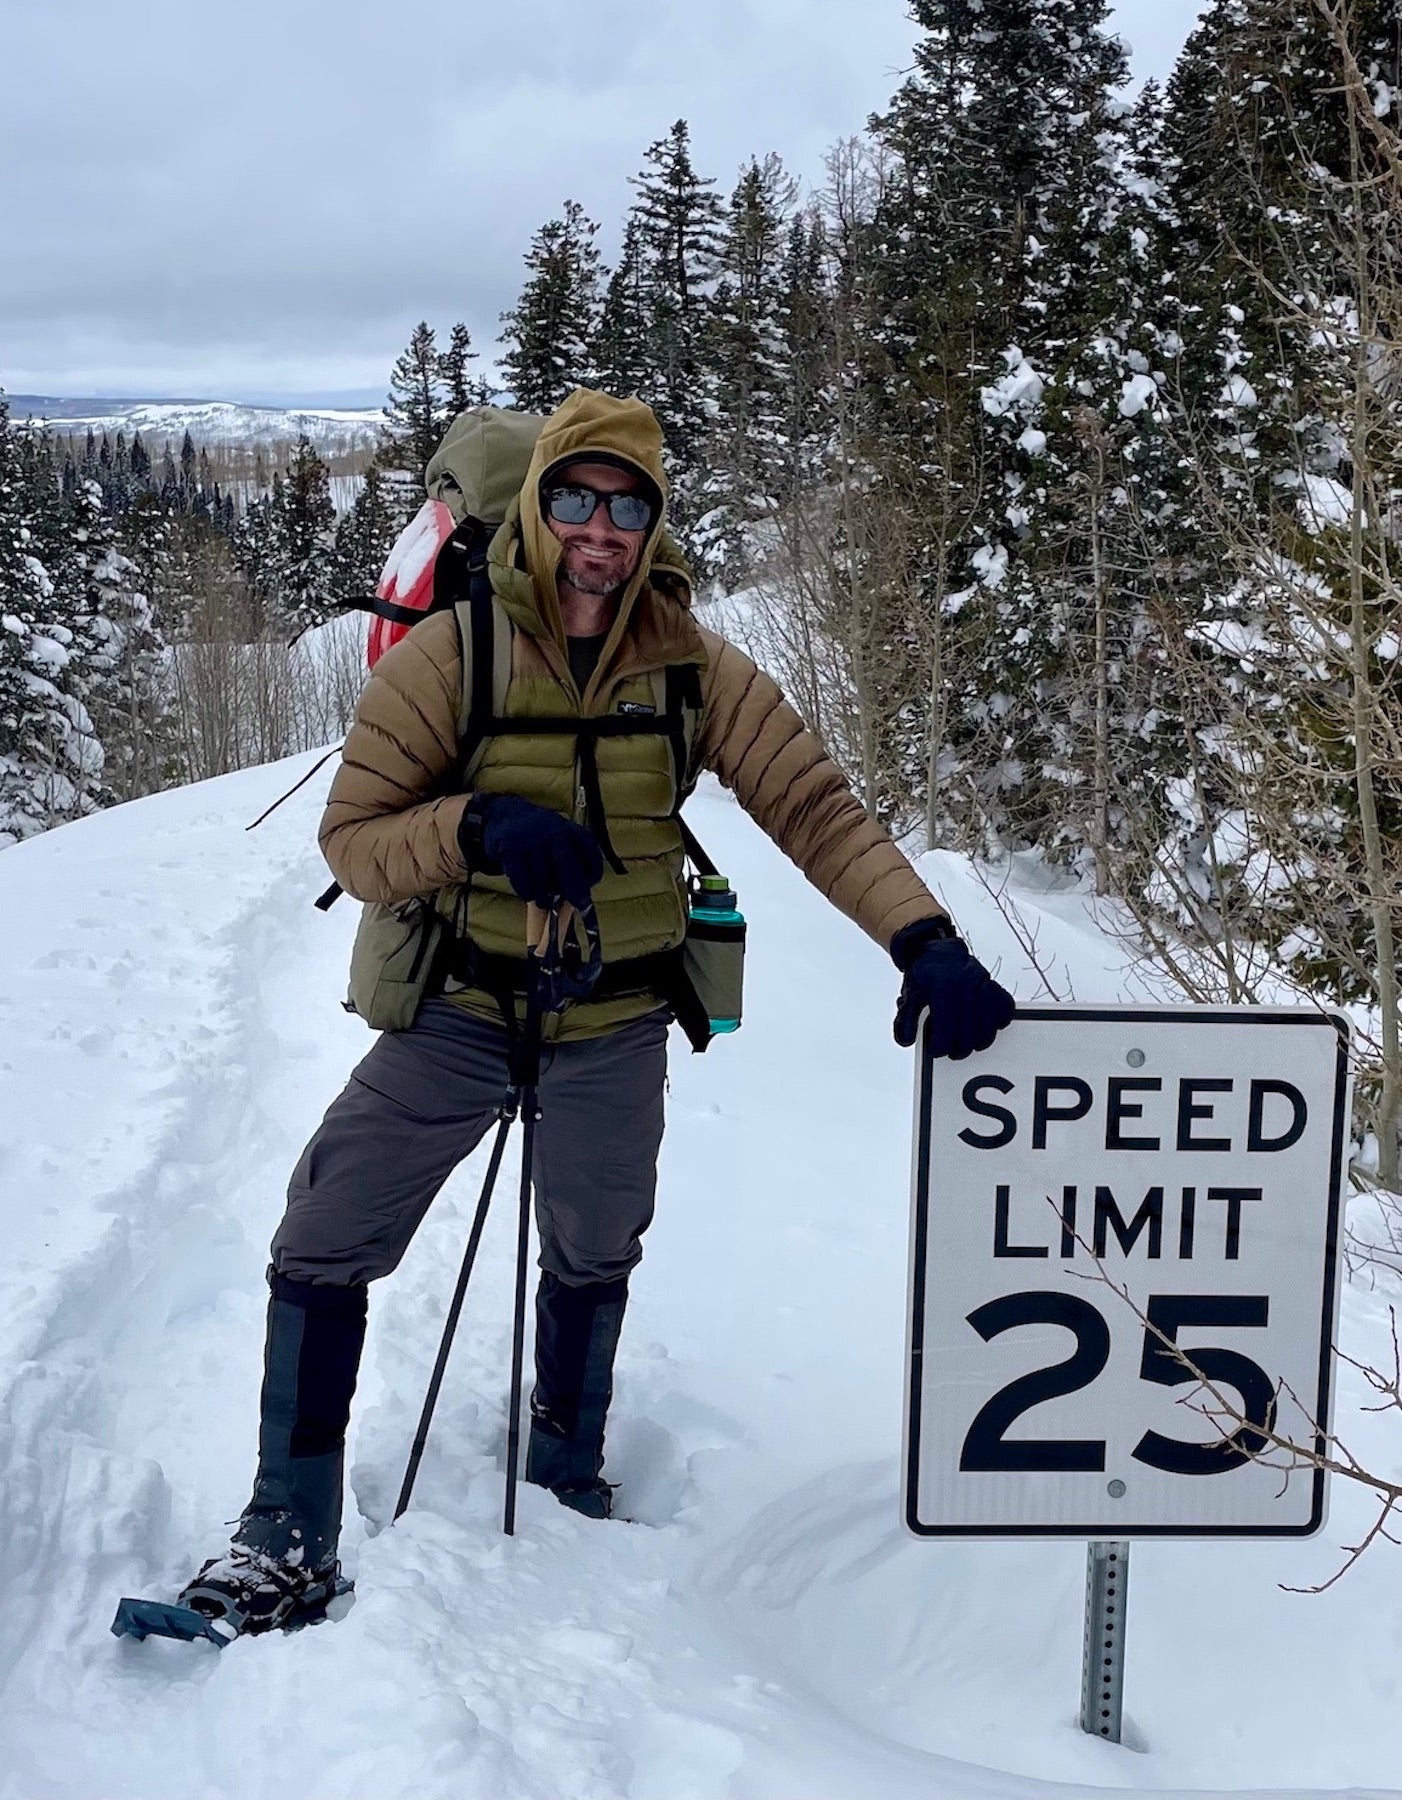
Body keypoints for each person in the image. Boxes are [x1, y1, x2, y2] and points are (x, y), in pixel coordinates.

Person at [179, 387, 1015, 1633]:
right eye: (574, 498)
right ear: (537, 507)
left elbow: (817, 809)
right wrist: (476, 825)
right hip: (459, 1005)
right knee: (327, 1227)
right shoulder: (445, 658)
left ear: (652, 524)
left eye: (627, 505)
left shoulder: (694, 666)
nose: (598, 528)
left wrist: (924, 937)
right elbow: (353, 843)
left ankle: (566, 1471)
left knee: (596, 1242)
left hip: (614, 1017)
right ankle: (286, 1528)